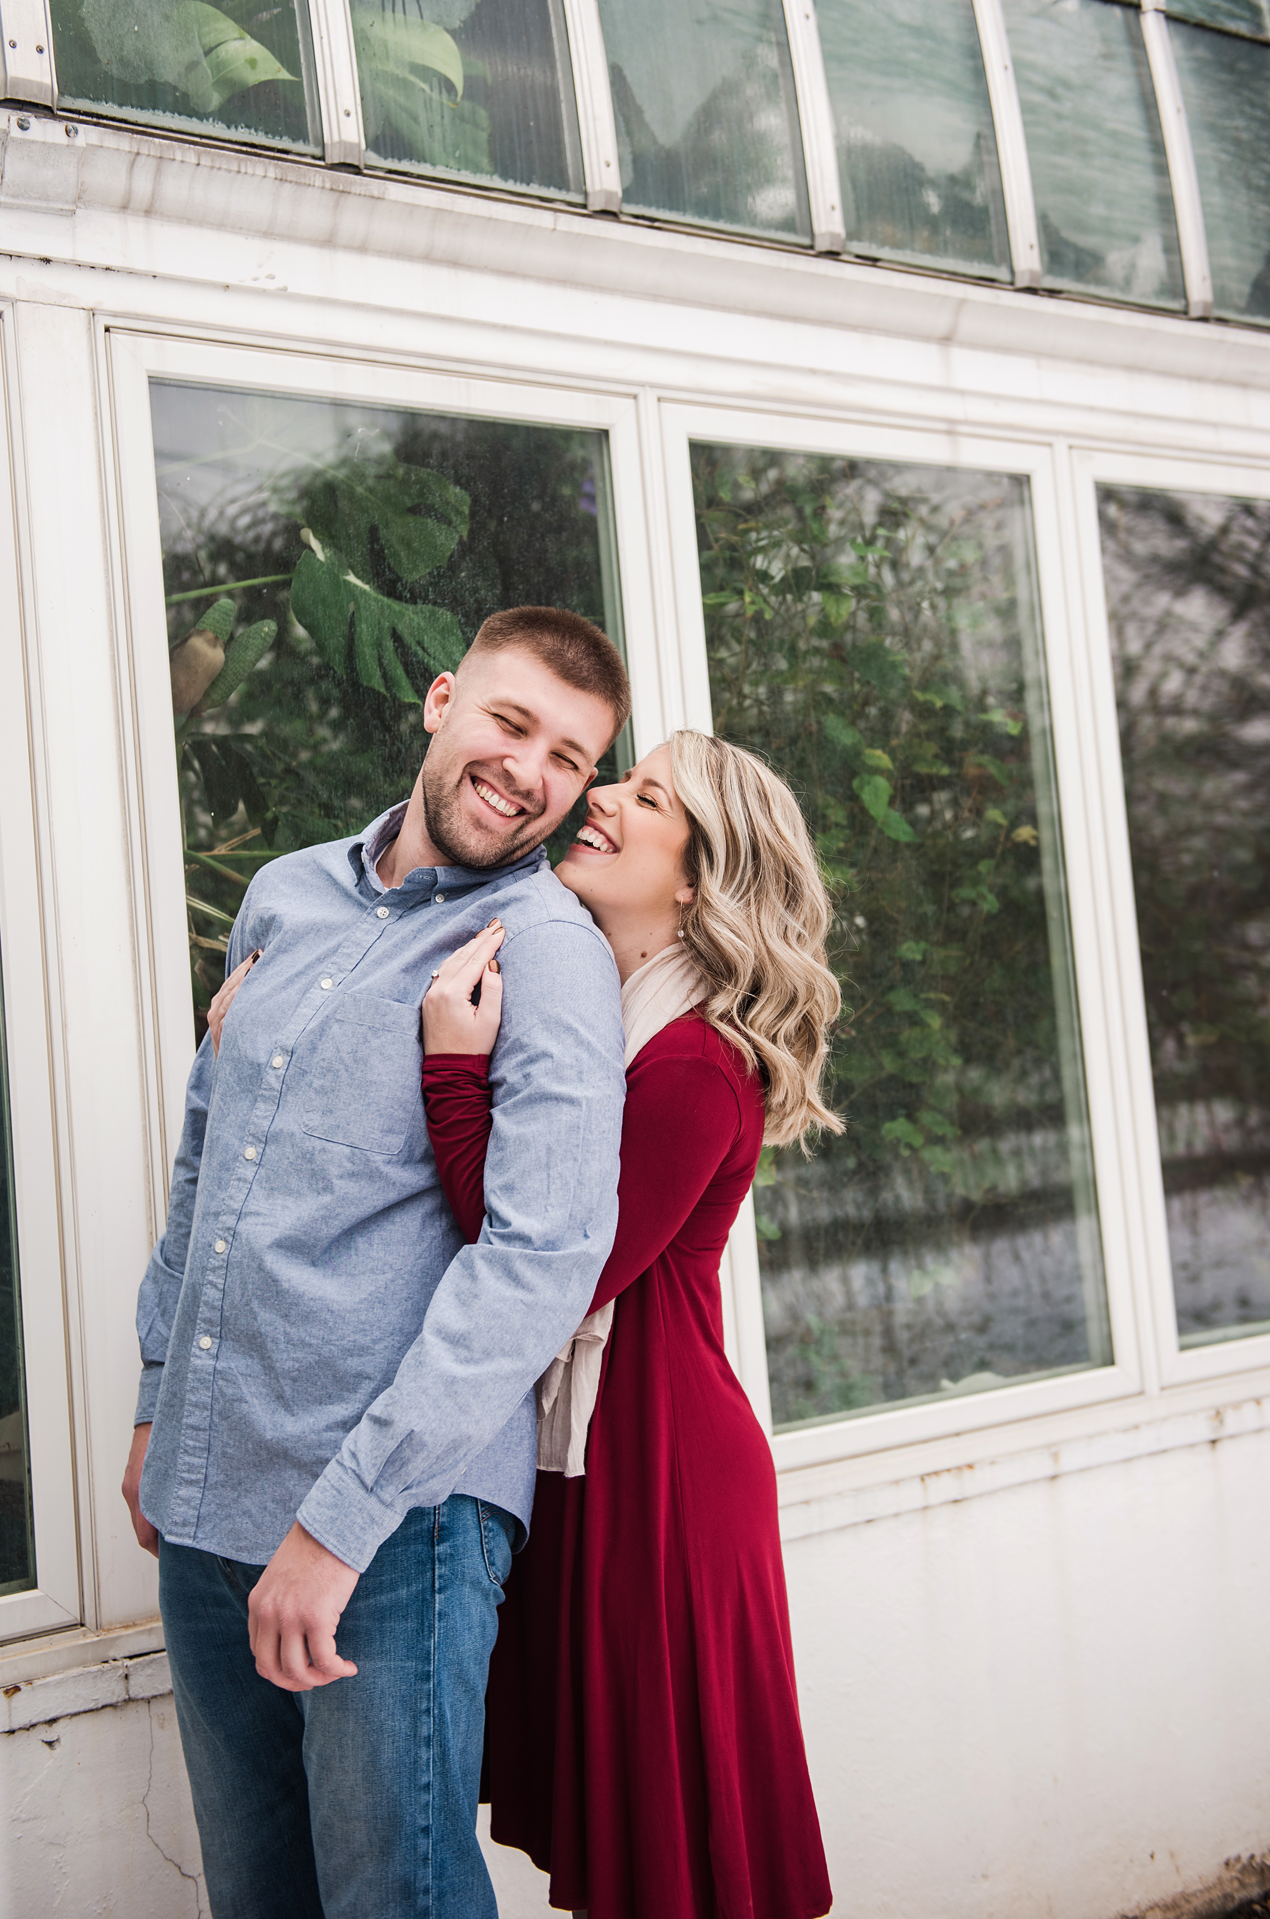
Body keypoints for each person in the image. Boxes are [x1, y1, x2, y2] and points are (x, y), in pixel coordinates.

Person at [121, 606, 633, 1919]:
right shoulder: (282, 894)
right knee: (260, 1901)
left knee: (389, 1902)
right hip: (209, 1489)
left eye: (568, 758)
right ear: (440, 699)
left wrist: (336, 1531)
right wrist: (154, 1391)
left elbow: (539, 1261)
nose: (527, 771)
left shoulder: (547, 956)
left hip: (391, 1527)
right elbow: (207, 1154)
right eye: (510, 724)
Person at [420, 728, 842, 1919]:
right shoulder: (610, 1023)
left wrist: (452, 1070)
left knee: (675, 1869)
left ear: (699, 873)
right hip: (607, 1460)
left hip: (660, 1483)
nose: (598, 796)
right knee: (635, 1849)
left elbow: (549, 1264)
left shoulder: (694, 1062)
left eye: (644, 794)